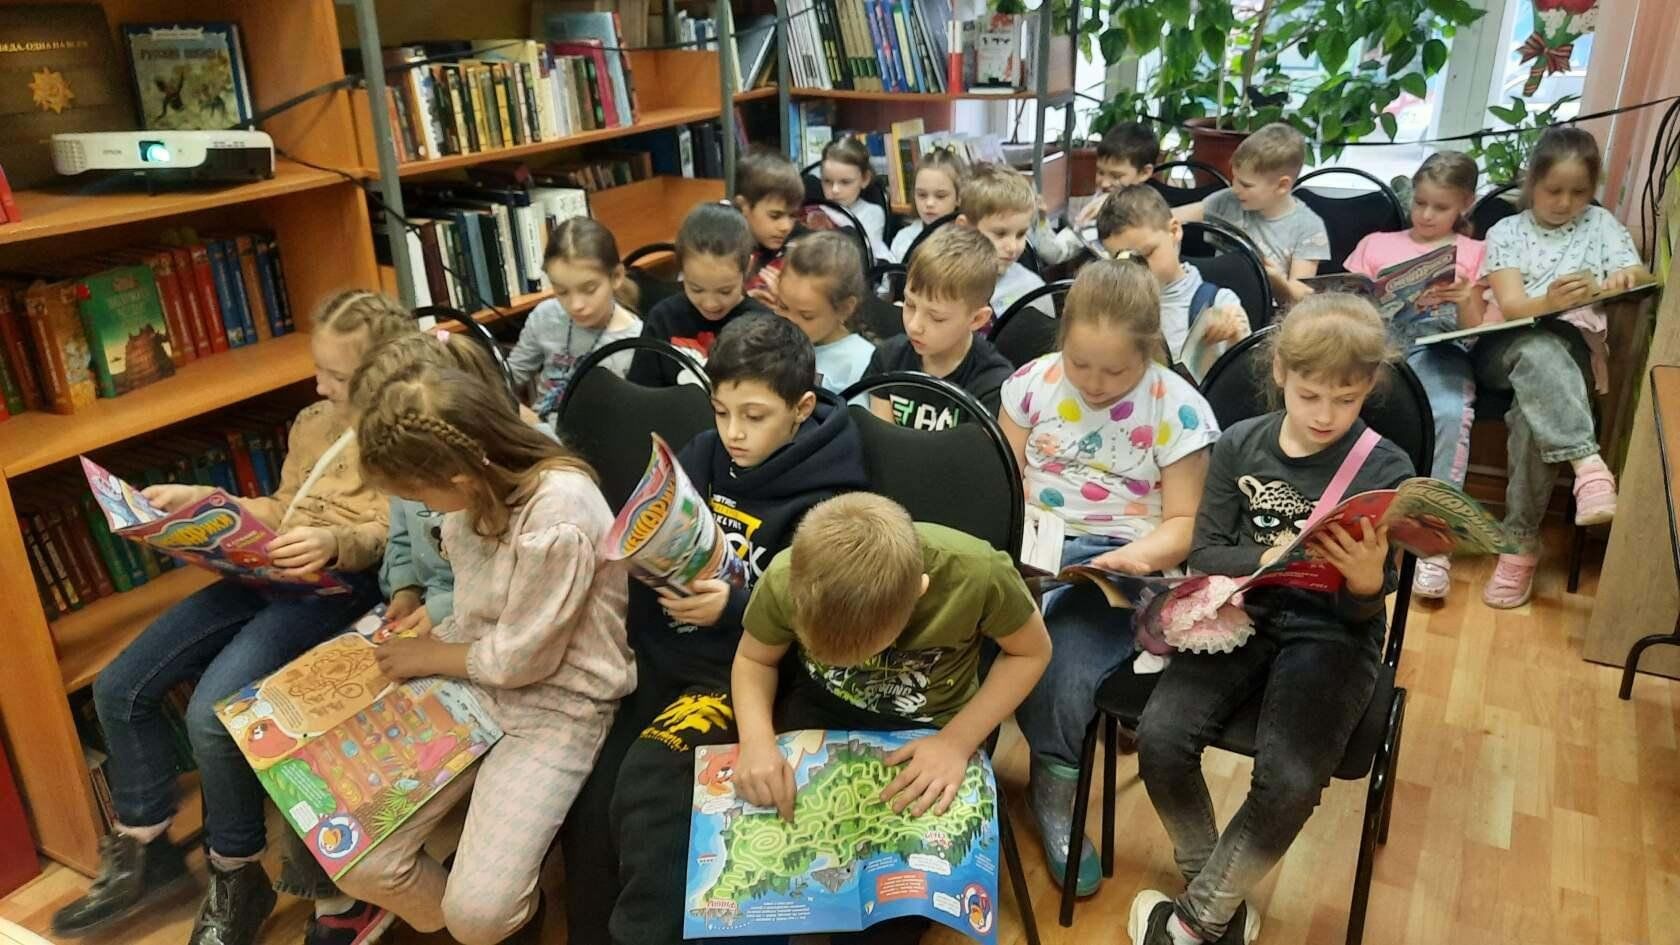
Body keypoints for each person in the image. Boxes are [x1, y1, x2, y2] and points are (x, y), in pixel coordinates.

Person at [52, 291, 413, 945]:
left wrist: (334, 542)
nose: (318, 384)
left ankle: (236, 871)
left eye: (335, 374)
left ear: (381, 371)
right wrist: (210, 503)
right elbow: (285, 503)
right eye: (319, 368)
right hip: (265, 569)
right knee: (119, 685)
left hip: (333, 588)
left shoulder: (402, 432)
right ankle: (145, 844)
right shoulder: (313, 421)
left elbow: (396, 527)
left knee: (214, 713)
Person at [1129, 293, 1414, 945]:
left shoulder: (1386, 466)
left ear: (1370, 385)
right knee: (1160, 739)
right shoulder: (1240, 444)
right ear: (1281, 371)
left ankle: (1197, 921)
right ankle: (1216, 899)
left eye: (1346, 399)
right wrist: (1270, 557)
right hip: (1238, 612)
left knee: (1290, 776)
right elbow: (1206, 554)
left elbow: (1370, 602)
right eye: (1309, 395)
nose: (1325, 415)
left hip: (1335, 629)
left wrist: (1366, 582)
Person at [331, 356, 634, 945]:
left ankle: (494, 918)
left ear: (461, 480)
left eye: (414, 494)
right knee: (352, 852)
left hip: (556, 706)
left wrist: (428, 657)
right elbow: (475, 615)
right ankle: (475, 919)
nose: (414, 505)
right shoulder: (477, 489)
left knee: (479, 915)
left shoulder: (559, 513)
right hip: (470, 675)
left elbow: (523, 660)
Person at [274, 328, 559, 945]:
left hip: (510, 677)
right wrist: (406, 592)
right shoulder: (446, 492)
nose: (413, 502)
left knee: (472, 902)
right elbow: (410, 545)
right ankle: (444, 911)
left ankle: (480, 906)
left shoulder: (544, 506)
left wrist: (433, 630)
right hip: (456, 647)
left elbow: (514, 641)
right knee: (334, 803)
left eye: (415, 491)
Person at [599, 315, 870, 945]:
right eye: (721, 412)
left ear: (801, 408)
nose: (733, 433)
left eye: (754, 416)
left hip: (744, 674)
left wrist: (734, 606)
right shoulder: (707, 452)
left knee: (651, 788)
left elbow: (817, 623)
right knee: (601, 796)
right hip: (662, 652)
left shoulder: (832, 496)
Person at [730, 494, 1053, 943]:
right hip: (823, 709)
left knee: (890, 917)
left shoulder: (978, 573)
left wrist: (957, 742)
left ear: (920, 590)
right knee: (756, 890)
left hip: (936, 727)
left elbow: (1032, 652)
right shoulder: (787, 576)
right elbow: (754, 659)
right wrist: (756, 741)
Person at [1000, 257, 1219, 896]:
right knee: (965, 629)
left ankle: (1053, 790)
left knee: (1062, 661)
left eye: (1116, 371)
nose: (1095, 385)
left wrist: (1137, 559)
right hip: (1028, 544)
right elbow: (1001, 477)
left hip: (1119, 557)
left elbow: (1185, 521)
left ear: (1148, 351)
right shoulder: (1033, 384)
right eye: (1080, 365)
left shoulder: (1177, 409)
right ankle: (964, 765)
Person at [1477, 126, 1639, 608]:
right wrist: (1549, 301)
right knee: (1536, 349)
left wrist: (1623, 279)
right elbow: (1511, 306)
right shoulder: (1506, 231)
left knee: (1534, 414)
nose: (1566, 203)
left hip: (1571, 354)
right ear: (1532, 182)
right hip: (1505, 345)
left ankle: (1519, 547)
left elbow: (1637, 275)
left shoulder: (1601, 225)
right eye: (1554, 190)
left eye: (1579, 192)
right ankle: (1589, 465)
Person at [1340, 151, 1490, 599]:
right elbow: (1348, 302)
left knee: (1449, 415)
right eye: (1419, 202)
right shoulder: (1376, 244)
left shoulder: (1476, 253)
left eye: (1440, 207)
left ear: (1464, 204)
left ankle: (1434, 545)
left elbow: (1479, 331)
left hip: (1442, 349)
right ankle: (1339, 521)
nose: (1425, 215)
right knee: (1340, 403)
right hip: (1377, 348)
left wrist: (1464, 299)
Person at [863, 225, 1014, 430]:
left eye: (936, 318)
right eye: (910, 304)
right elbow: (880, 440)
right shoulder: (887, 358)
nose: (914, 326)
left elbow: (976, 451)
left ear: (977, 319)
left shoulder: (993, 384)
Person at [1098, 184, 1251, 379]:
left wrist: (1236, 339)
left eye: (1147, 253)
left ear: (1174, 231)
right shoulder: (1111, 304)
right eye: (1125, 262)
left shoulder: (1219, 303)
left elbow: (1244, 381)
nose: (1140, 269)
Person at [1177, 123, 1330, 305]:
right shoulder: (1227, 201)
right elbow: (1168, 218)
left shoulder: (1308, 227)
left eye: (1246, 185)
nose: (1235, 188)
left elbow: (1301, 298)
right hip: (1217, 306)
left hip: (1268, 313)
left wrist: (1276, 280)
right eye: (1234, 178)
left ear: (1282, 185)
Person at [507, 217, 643, 417]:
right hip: (538, 429)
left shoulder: (635, 341)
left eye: (589, 289)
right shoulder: (546, 316)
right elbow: (510, 376)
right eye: (562, 291)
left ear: (616, 277)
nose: (575, 305)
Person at [627, 202, 772, 386]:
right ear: (681, 271)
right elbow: (641, 390)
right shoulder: (663, 318)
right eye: (696, 289)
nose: (710, 304)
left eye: (725, 291)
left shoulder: (764, 326)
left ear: (748, 267)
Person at [1032, 121, 1160, 266]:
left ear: (1144, 173)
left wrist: (1115, 205)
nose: (1104, 183)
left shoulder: (1154, 211)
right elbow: (1055, 253)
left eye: (1116, 176)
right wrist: (1041, 219)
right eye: (1100, 172)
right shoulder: (1093, 211)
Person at [776, 231, 878, 394]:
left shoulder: (863, 363)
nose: (790, 322)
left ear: (845, 309)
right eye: (782, 307)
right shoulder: (770, 339)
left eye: (806, 316)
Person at [958, 162, 1050, 321]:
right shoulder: (938, 281)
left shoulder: (1031, 290)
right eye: (1000, 234)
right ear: (965, 228)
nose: (1012, 247)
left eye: (1020, 234)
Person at [734, 147, 806, 310]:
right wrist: (744, 303)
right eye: (775, 216)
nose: (786, 227)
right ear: (743, 206)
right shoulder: (722, 249)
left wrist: (787, 304)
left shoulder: (799, 244)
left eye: (792, 216)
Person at [887, 146, 967, 263]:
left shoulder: (970, 241)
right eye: (922, 195)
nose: (929, 203)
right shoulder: (904, 239)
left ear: (959, 197)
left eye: (940, 196)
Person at [818, 135, 890, 261]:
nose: (835, 190)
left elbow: (861, 254)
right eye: (827, 181)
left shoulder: (872, 213)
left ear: (864, 179)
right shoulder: (815, 209)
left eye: (845, 182)